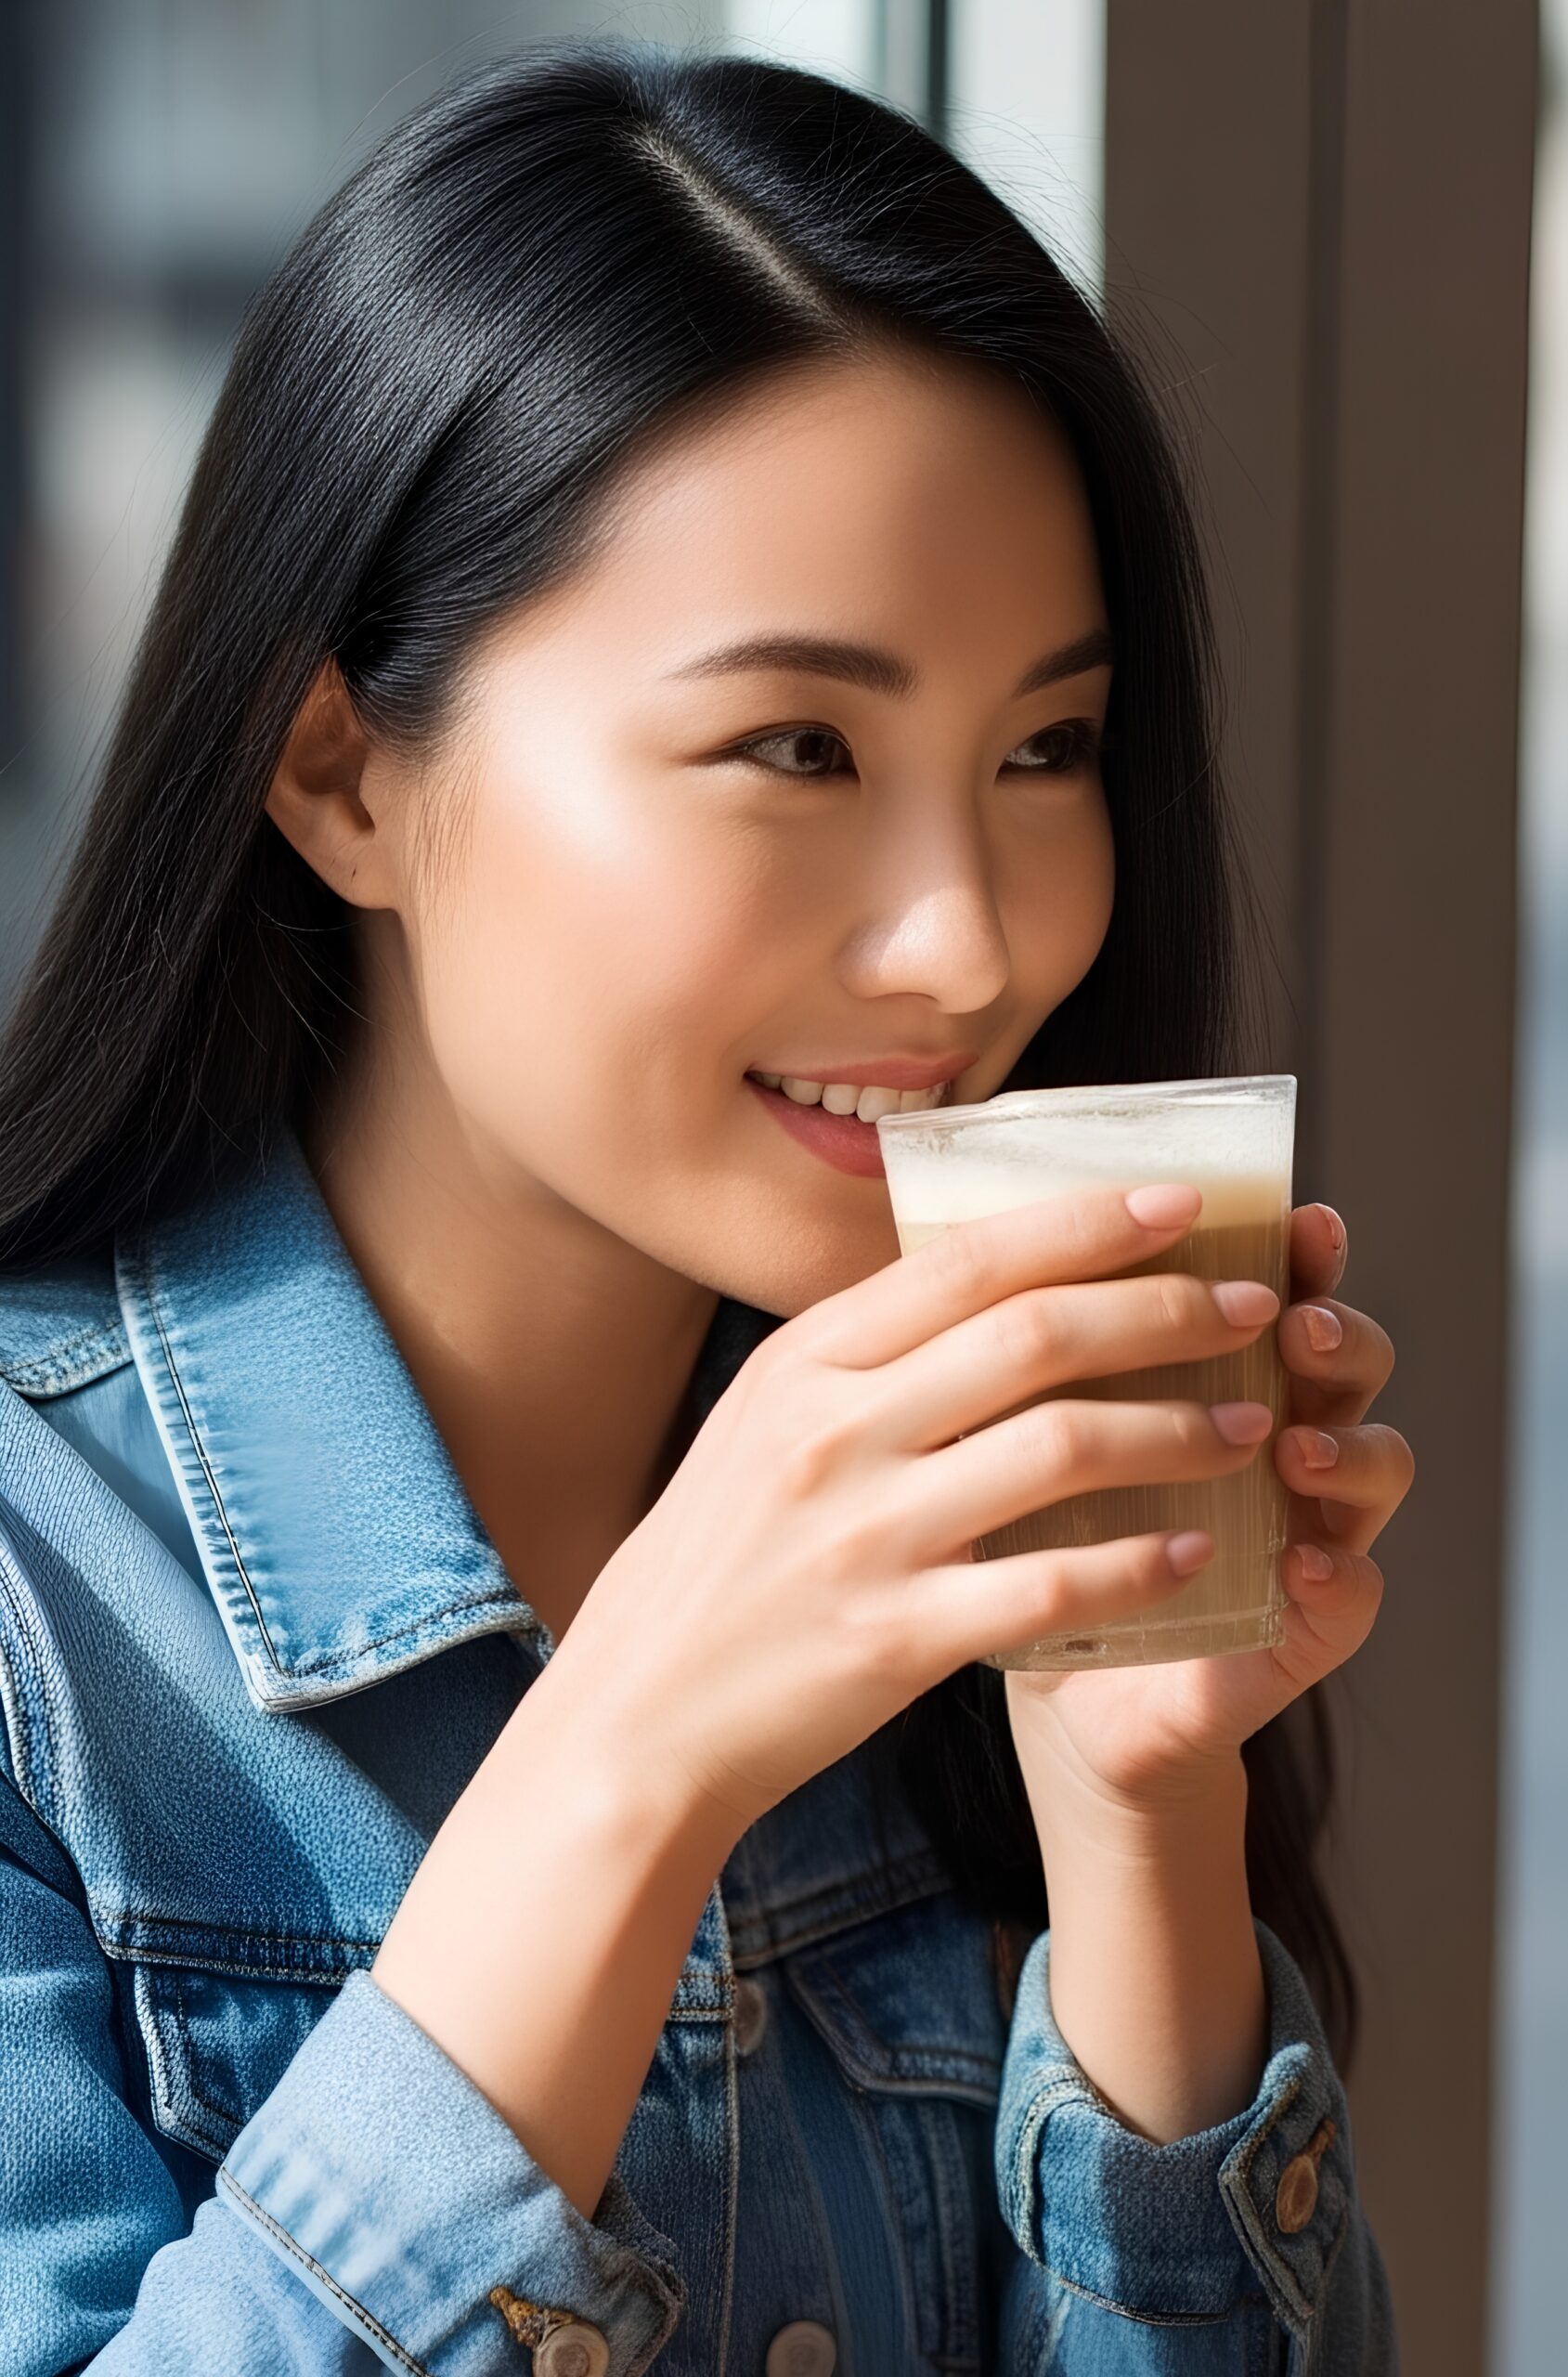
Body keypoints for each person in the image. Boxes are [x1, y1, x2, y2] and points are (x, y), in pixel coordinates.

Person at [0, 39, 1412, 2377]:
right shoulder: (48, 1622)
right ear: (340, 769)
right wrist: (631, 1751)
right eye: (797, 748)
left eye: (1043, 749)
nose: (973, 941)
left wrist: (1134, 1812)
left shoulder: (955, 1562)